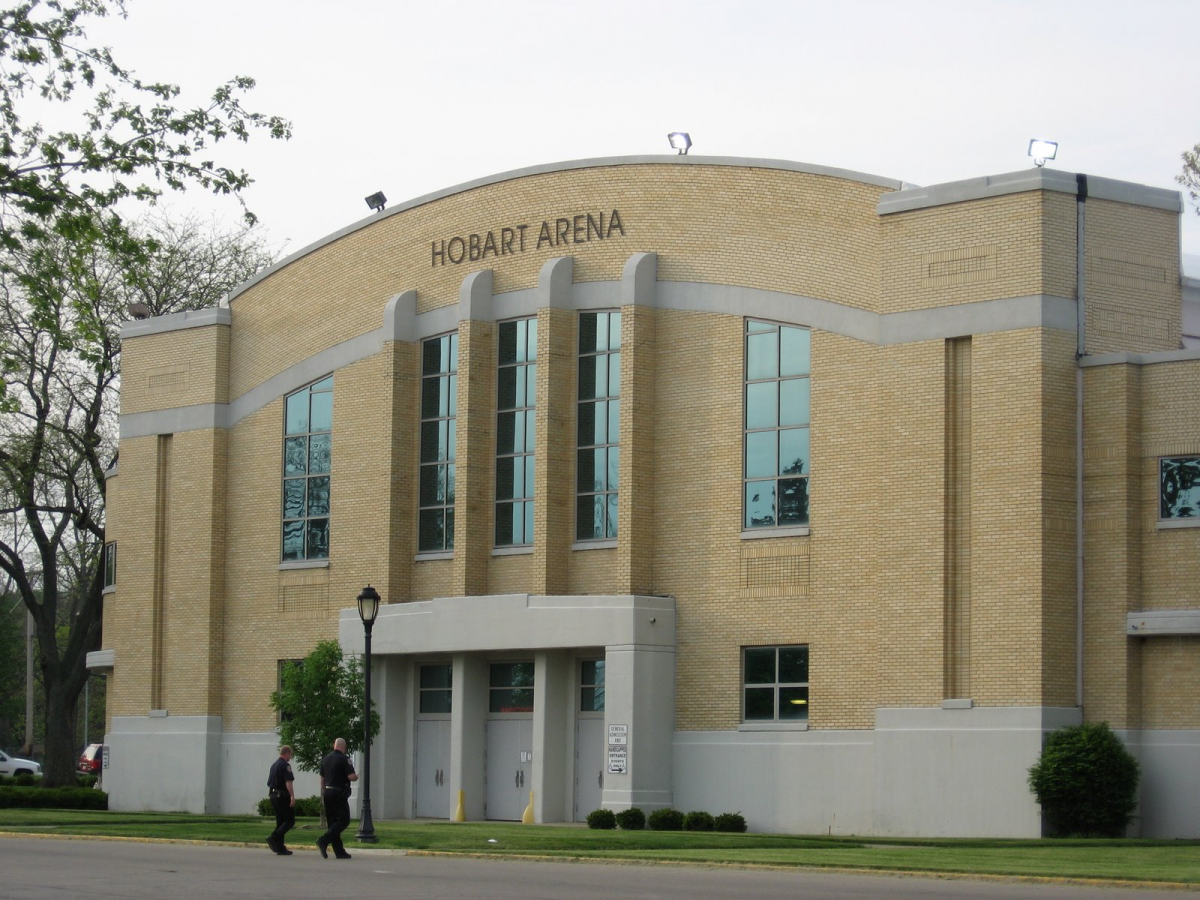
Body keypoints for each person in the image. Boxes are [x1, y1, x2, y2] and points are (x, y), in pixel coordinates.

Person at [316, 737, 357, 859]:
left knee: (333, 822)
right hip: (338, 793)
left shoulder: (325, 759)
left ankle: (339, 851)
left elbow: (322, 778)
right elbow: (351, 777)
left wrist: (323, 791)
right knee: (344, 820)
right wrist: (356, 776)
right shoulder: (344, 759)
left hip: (327, 792)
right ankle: (324, 840)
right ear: (344, 747)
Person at [266, 744, 296, 855]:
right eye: (290, 755)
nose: (290, 757)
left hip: (273, 795)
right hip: (282, 796)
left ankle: (280, 847)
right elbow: (288, 782)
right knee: (289, 820)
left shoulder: (274, 765)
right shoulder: (285, 765)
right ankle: (274, 837)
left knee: (280, 822)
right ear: (287, 753)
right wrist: (292, 796)